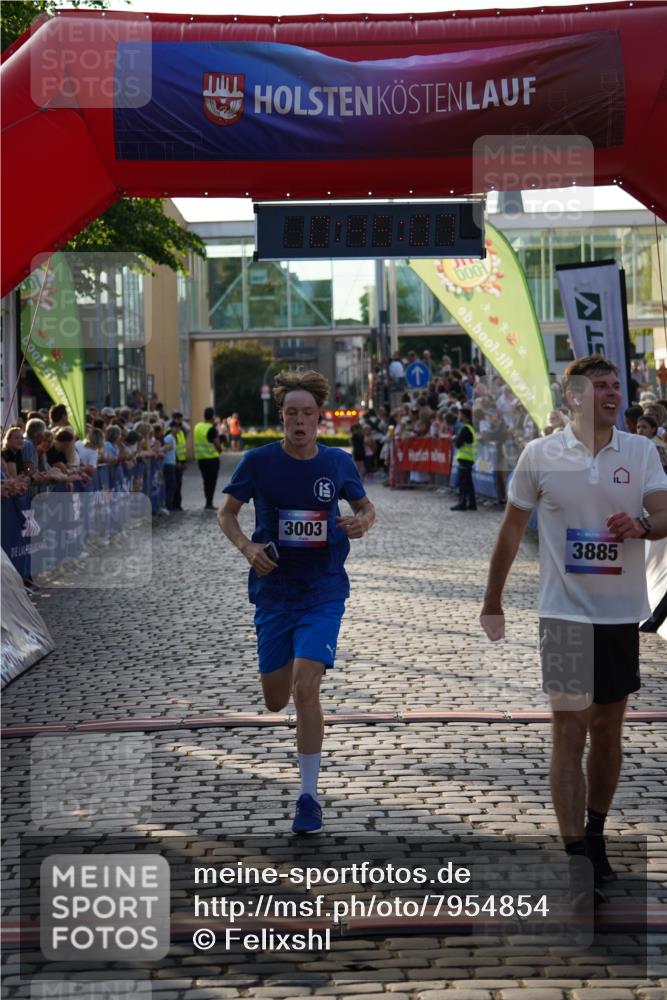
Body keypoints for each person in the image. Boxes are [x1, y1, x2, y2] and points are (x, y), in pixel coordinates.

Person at [480, 354, 667, 906]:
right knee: (569, 729)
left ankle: (595, 831)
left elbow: (664, 510)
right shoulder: (540, 455)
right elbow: (512, 530)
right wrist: (492, 599)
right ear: (573, 399)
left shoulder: (640, 452)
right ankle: (575, 857)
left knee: (608, 731)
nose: (612, 393)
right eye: (599, 386)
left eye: (617, 386)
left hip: (618, 617)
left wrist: (643, 525)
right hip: (563, 613)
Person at [218, 369, 376, 834]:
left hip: (324, 590)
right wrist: (248, 547)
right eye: (291, 413)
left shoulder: (338, 463)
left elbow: (367, 507)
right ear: (281, 416)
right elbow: (226, 514)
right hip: (274, 593)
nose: (299, 421)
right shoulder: (258, 461)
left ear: (320, 418)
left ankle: (308, 797)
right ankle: (283, 684)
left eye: (308, 413)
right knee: (274, 699)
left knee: (307, 688)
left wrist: (363, 520)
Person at [194, 406, 222, 510]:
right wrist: (220, 450)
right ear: (212, 416)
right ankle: (209, 502)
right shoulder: (211, 429)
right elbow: (218, 446)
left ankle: (207, 501)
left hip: (201, 459)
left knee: (205, 481)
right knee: (211, 481)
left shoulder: (197, 427)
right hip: (212, 460)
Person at [451, 405, 477, 511]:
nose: (459, 416)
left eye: (460, 414)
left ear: (464, 416)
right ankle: (472, 503)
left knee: (463, 483)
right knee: (469, 482)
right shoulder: (471, 427)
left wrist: (455, 439)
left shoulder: (465, 428)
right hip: (469, 458)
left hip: (465, 458)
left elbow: (458, 443)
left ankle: (462, 503)